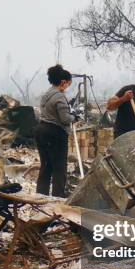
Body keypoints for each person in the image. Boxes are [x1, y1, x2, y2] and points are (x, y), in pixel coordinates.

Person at [34, 64, 76, 198]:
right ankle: (58, 198)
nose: (67, 88)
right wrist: (75, 116)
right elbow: (65, 119)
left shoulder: (46, 94)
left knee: (46, 167)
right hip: (55, 134)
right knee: (59, 168)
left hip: (41, 130)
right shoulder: (59, 96)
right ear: (63, 82)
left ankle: (41, 197)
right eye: (68, 84)